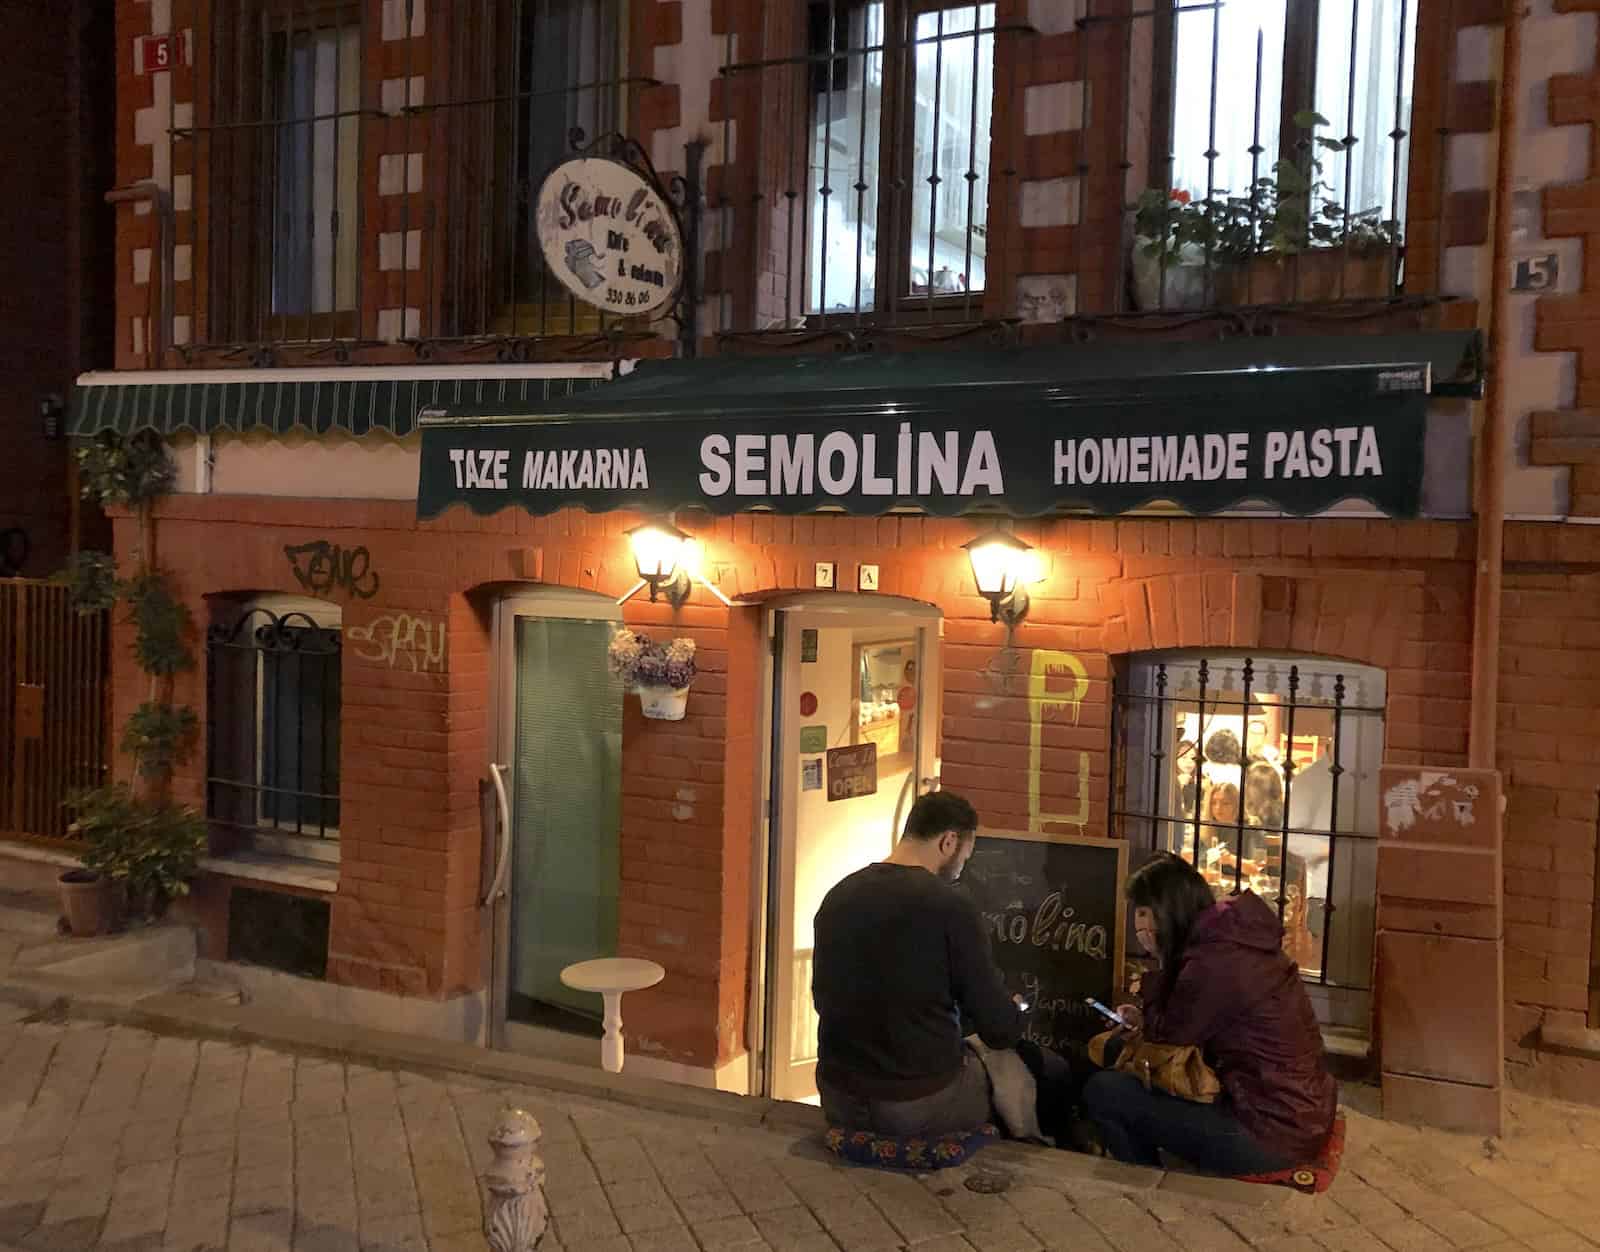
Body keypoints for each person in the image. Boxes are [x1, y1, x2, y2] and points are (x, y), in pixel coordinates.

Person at [1083, 853, 1337, 1174]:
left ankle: (1146, 1183)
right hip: (1302, 1111)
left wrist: (1161, 961)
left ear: (1167, 913)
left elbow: (1169, 1037)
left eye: (1143, 912)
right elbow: (1196, 1019)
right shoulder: (1229, 938)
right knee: (1123, 1065)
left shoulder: (1212, 962)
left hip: (1269, 1131)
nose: (1138, 924)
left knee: (1105, 1091)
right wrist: (1142, 1016)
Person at [811, 790, 1025, 1137]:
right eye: (965, 857)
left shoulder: (838, 894)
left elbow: (825, 997)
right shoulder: (950, 906)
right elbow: (998, 1028)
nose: (961, 869)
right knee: (1011, 1070)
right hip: (916, 1103)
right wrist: (1016, 1010)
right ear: (949, 841)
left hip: (838, 1098)